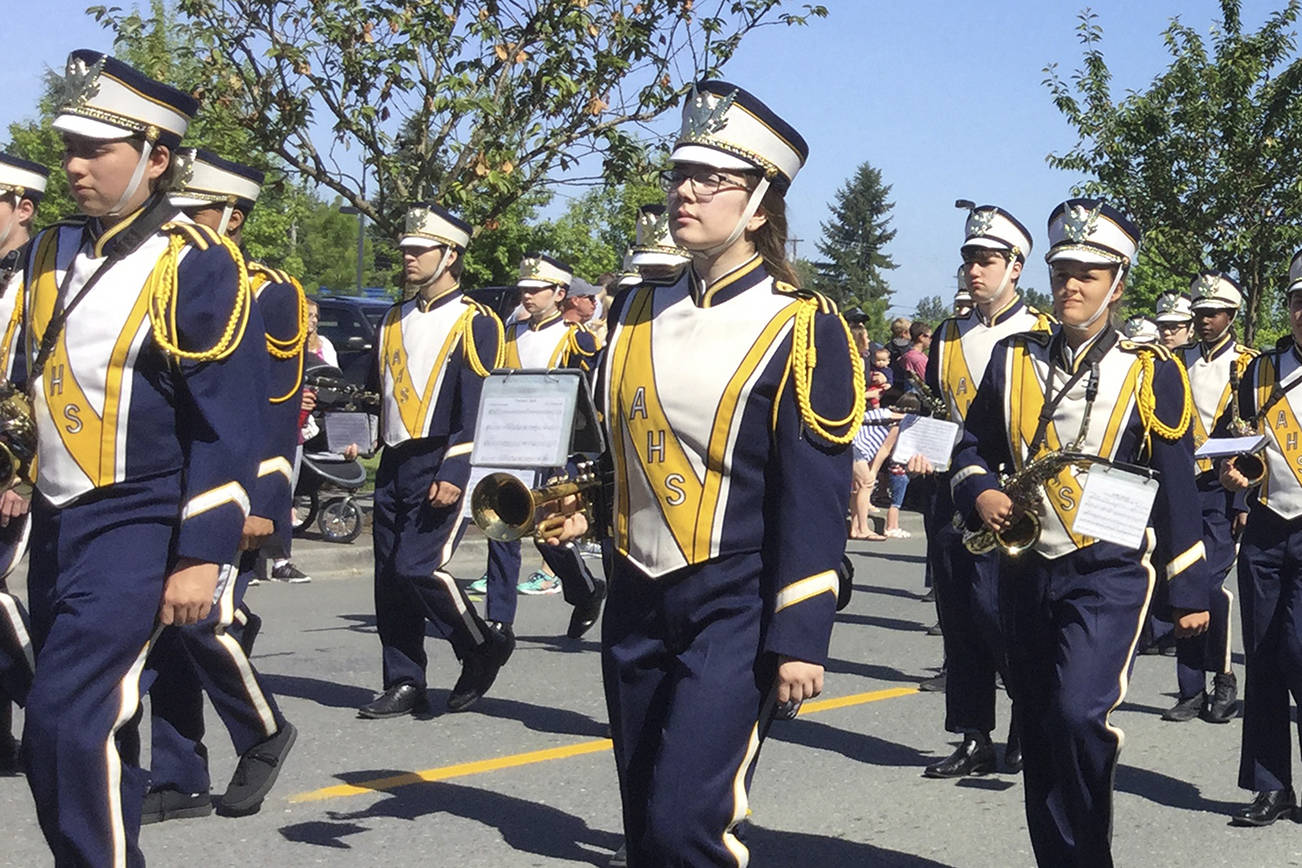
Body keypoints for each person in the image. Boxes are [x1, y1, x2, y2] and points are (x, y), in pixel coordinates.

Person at [553, 79, 862, 866]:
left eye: (711, 180)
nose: (684, 191)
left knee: (686, 822)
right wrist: (588, 505)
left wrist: (802, 634)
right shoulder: (633, 309)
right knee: (642, 819)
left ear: (759, 205)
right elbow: (629, 446)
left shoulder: (801, 324)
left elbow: (815, 495)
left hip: (737, 599)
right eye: (679, 174)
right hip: (634, 587)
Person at [20, 50, 269, 865]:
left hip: (141, 517)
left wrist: (202, 555)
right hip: (61, 516)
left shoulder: (195, 263)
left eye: (97, 149)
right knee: (92, 734)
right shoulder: (49, 247)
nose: (75, 166)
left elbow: (225, 426)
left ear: (157, 159)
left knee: (65, 721)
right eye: (70, 148)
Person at [952, 198, 1208, 867]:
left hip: (1109, 571)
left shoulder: (1152, 369)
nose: (1070, 283)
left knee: (1075, 715)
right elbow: (970, 448)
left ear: (1117, 285)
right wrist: (978, 489)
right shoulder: (1013, 359)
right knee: (1039, 725)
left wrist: (1192, 590)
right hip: (1025, 568)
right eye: (1063, 268)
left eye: (1088, 274)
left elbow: (1177, 481)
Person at [140, 148, 303, 823]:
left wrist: (264, 500)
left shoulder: (267, 290)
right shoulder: (158, 275)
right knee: (167, 629)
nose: (175, 220)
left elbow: (273, 407)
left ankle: (263, 731)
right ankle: (178, 775)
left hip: (230, 487)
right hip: (165, 479)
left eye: (194, 209)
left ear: (231, 217)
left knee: (202, 619)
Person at [358, 201, 511, 719]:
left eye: (419, 249)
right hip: (396, 460)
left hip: (441, 458)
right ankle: (404, 679)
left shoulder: (475, 321)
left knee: (417, 567)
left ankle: (480, 644)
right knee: (389, 577)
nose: (408, 257)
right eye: (405, 249)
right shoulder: (392, 318)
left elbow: (480, 405)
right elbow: (376, 391)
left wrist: (455, 469)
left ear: (449, 255)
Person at [918, 204, 1052, 778]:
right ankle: (973, 734)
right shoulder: (948, 335)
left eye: (988, 260)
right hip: (952, 490)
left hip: (1015, 498)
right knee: (960, 619)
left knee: (1007, 617)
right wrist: (917, 447)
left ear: (1015, 266)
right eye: (969, 259)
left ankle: (1029, 722)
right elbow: (935, 412)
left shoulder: (1042, 335)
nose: (975, 270)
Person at [476, 253, 606, 640]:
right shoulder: (508, 334)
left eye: (536, 290)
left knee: (550, 535)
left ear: (558, 293)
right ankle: (499, 619)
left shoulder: (576, 339)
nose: (527, 297)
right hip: (511, 445)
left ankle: (585, 590)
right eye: (524, 290)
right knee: (501, 528)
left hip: (556, 451)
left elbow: (587, 401)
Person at [1216, 250, 1302, 827]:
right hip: (1270, 527)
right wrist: (1234, 475)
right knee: (1266, 657)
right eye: (1298, 301)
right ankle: (1271, 785)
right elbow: (1236, 440)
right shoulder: (1258, 372)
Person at [1163, 272, 1252, 724]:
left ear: (1232, 316)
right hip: (1181, 488)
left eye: (1212, 313)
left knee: (1211, 588)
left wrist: (1242, 502)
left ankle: (1224, 678)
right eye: (1198, 313)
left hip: (1224, 490)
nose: (1203, 321)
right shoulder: (1175, 362)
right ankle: (1189, 689)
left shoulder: (1249, 364)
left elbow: (1257, 436)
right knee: (1182, 580)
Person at [0, 152, 47, 775]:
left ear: (22, 207)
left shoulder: (45, 279)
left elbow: (42, 386)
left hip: (15, 464)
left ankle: (56, 708)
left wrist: (22, 473)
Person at [305, 296, 337, 367]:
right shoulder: (291, 345)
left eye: (316, 316)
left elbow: (334, 371)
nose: (314, 320)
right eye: (309, 315)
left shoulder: (324, 343)